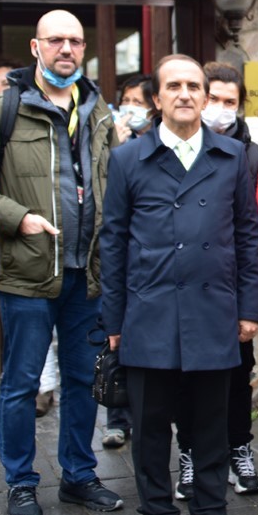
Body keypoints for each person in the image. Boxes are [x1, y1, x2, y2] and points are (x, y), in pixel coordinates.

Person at [0, 9, 123, 515]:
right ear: (35, 47)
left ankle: (79, 476)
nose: (67, 50)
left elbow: (117, 183)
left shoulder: (99, 111)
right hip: (29, 273)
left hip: (89, 275)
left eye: (75, 41)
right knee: (21, 384)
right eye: (56, 40)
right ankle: (21, 485)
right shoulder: (4, 108)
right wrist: (18, 217)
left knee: (83, 381)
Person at [101, 55, 258, 515]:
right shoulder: (130, 159)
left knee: (212, 424)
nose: (187, 95)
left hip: (214, 310)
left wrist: (249, 307)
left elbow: (247, 235)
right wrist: (114, 322)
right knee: (150, 428)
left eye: (196, 86)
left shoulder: (234, 155)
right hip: (149, 312)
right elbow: (113, 243)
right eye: (175, 86)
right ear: (157, 98)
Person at [0, 56, 60, 436]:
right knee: (22, 324)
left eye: (5, 85)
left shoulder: (34, 123)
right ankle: (27, 396)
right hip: (3, 239)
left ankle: (44, 390)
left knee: (48, 324)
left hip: (49, 242)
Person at [202, 61, 258, 496]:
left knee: (237, 376)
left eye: (230, 102)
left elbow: (254, 231)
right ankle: (193, 457)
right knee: (187, 381)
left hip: (231, 284)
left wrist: (251, 301)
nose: (220, 109)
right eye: (214, 99)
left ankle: (239, 450)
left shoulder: (252, 154)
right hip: (186, 284)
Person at [100, 73, 156, 450]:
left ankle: (140, 420)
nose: (131, 107)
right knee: (116, 348)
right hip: (124, 267)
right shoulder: (117, 144)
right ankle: (116, 420)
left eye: (139, 101)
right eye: (127, 100)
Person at [113, 73, 155, 145]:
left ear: (153, 108)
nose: (129, 107)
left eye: (137, 102)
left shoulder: (163, 136)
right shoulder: (116, 133)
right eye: (126, 100)